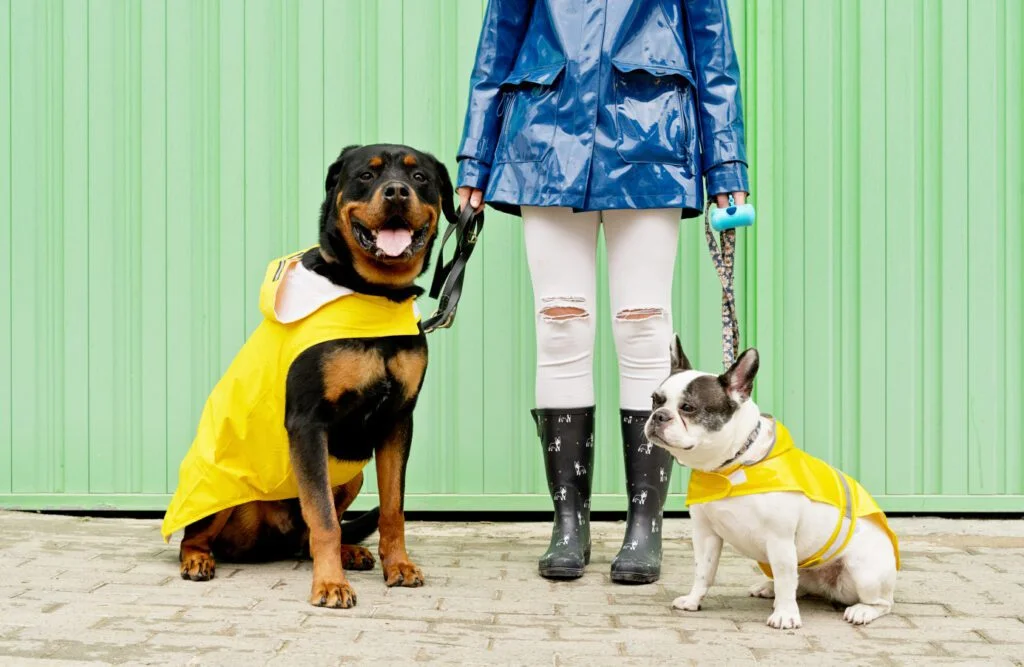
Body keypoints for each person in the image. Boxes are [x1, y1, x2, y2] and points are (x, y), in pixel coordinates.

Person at [455, 0, 750, 583]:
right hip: (544, 138)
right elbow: (497, 48)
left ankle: (646, 525)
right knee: (560, 325)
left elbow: (714, 56)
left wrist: (727, 168)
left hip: (651, 137)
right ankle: (569, 522)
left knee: (643, 326)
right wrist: (475, 159)